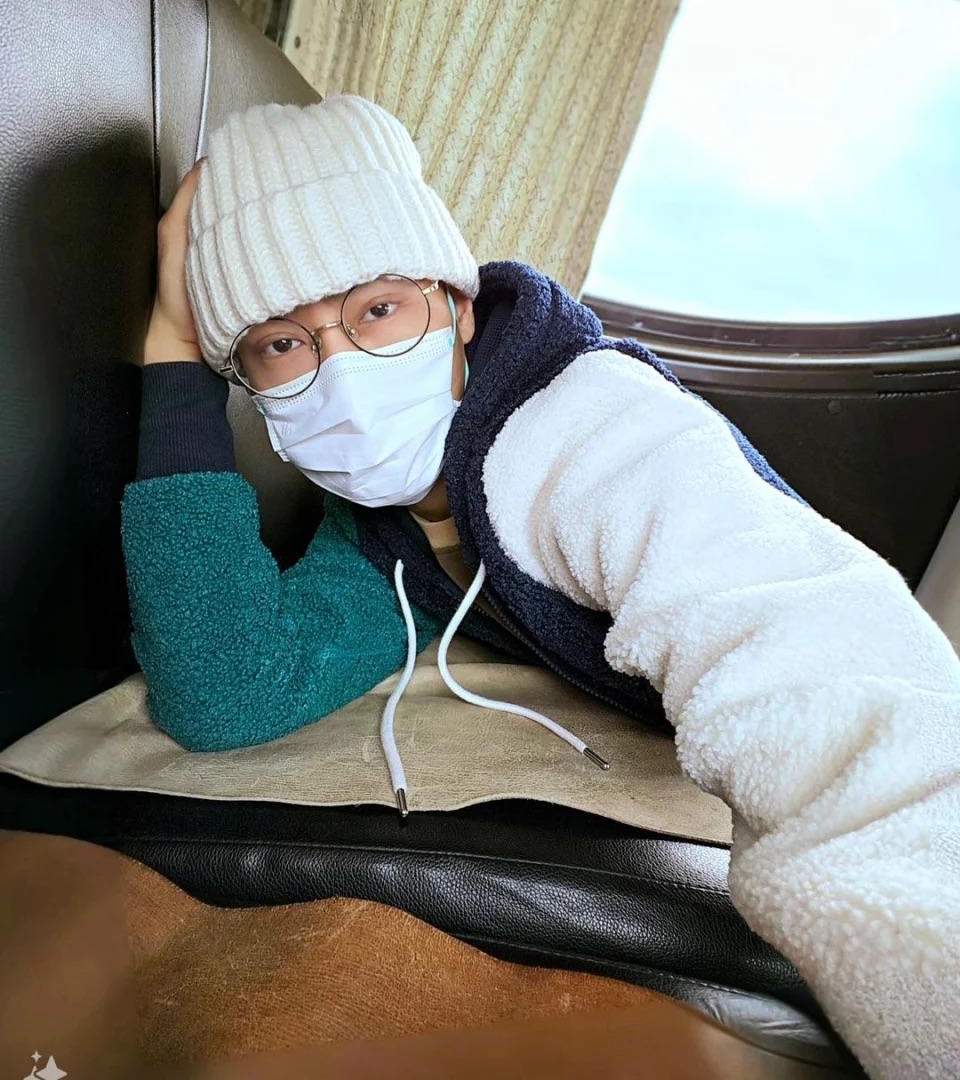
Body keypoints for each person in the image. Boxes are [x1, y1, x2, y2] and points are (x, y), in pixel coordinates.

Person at [121, 94, 960, 1080]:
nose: (340, 374)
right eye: (282, 344)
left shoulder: (591, 433)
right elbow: (225, 688)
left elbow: (822, 677)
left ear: (458, 307)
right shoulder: (381, 530)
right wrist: (174, 358)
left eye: (378, 311)